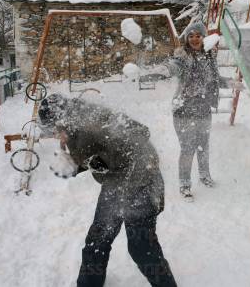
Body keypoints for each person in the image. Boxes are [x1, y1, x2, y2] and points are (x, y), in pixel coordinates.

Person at [38, 93, 177, 287]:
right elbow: (94, 153)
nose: (55, 135)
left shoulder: (90, 120)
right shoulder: (74, 125)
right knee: (97, 240)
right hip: (116, 183)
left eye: (54, 130)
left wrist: (102, 160)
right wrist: (76, 165)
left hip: (143, 182)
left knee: (141, 247)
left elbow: (140, 132)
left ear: (60, 119)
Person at [165, 21, 220, 201]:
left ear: (204, 37)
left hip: (203, 109)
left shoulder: (210, 56)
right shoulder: (182, 56)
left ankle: (204, 176)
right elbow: (173, 66)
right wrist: (164, 69)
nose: (195, 39)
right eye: (191, 36)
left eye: (198, 35)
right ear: (187, 39)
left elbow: (216, 79)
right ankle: (184, 184)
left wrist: (231, 83)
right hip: (184, 110)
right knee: (188, 148)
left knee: (203, 146)